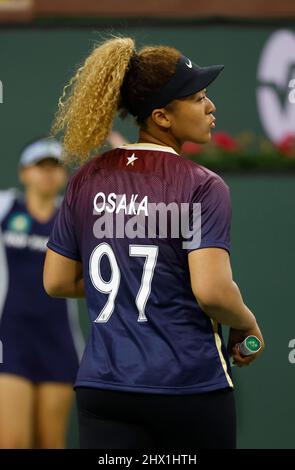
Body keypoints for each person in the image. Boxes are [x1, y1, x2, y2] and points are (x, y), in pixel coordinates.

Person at [43, 37, 265, 449]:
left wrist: (137, 285)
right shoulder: (203, 185)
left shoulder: (86, 178)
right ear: (162, 117)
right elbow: (213, 291)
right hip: (187, 387)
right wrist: (246, 322)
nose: (211, 107)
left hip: (104, 390)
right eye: (198, 98)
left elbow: (56, 281)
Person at [0, 138, 84, 448]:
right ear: (24, 173)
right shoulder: (6, 207)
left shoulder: (73, 219)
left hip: (58, 340)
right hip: (9, 340)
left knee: (51, 442)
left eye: (55, 167)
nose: (48, 174)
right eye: (40, 167)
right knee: (12, 442)